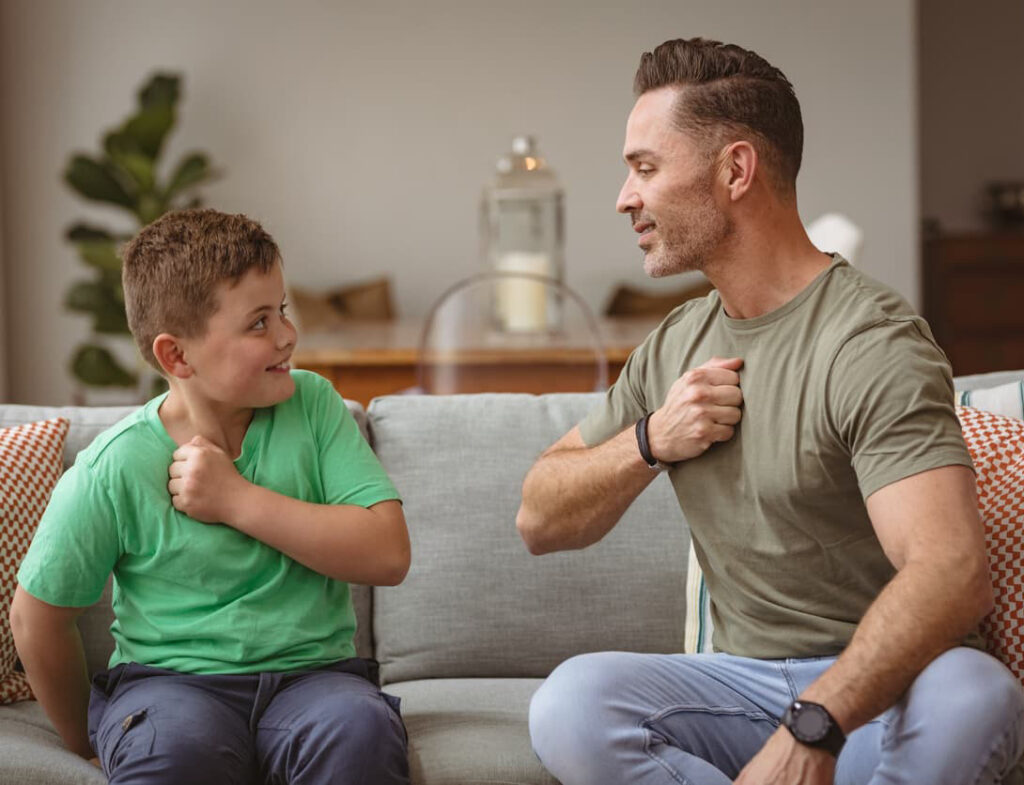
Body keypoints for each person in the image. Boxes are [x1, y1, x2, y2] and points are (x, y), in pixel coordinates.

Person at [516, 37, 1024, 785]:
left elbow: (951, 571)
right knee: (571, 703)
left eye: (646, 168)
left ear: (735, 170)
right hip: (740, 687)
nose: (625, 197)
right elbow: (538, 516)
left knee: (976, 695)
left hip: (887, 690)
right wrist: (652, 439)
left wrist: (815, 723)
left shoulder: (869, 339)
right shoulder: (675, 346)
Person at [10, 209, 411, 785]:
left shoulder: (315, 406)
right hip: (167, 687)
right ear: (177, 356)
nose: (287, 336)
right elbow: (36, 617)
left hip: (317, 681)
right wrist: (85, 738)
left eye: (283, 312)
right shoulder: (115, 464)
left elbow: (388, 554)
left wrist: (236, 500)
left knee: (360, 733)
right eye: (258, 323)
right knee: (170, 754)